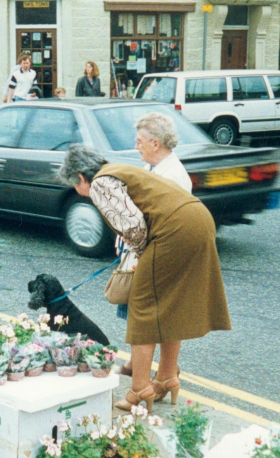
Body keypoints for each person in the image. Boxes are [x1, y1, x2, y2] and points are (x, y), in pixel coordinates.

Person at [58, 145, 230, 412]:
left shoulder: (100, 184)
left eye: (74, 184)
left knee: (144, 306)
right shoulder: (118, 170)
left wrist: (137, 253)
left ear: (81, 177)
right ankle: (166, 376)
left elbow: (134, 227)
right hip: (198, 219)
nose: (78, 191)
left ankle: (139, 389)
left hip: (174, 229)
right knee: (170, 304)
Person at [117, 112, 193, 376]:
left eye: (139, 141)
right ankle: (162, 371)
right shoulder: (155, 169)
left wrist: (133, 234)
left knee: (149, 316)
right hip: (147, 249)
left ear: (155, 144)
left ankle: (151, 378)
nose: (136, 146)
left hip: (159, 253)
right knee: (153, 314)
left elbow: (162, 223)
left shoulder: (171, 177)